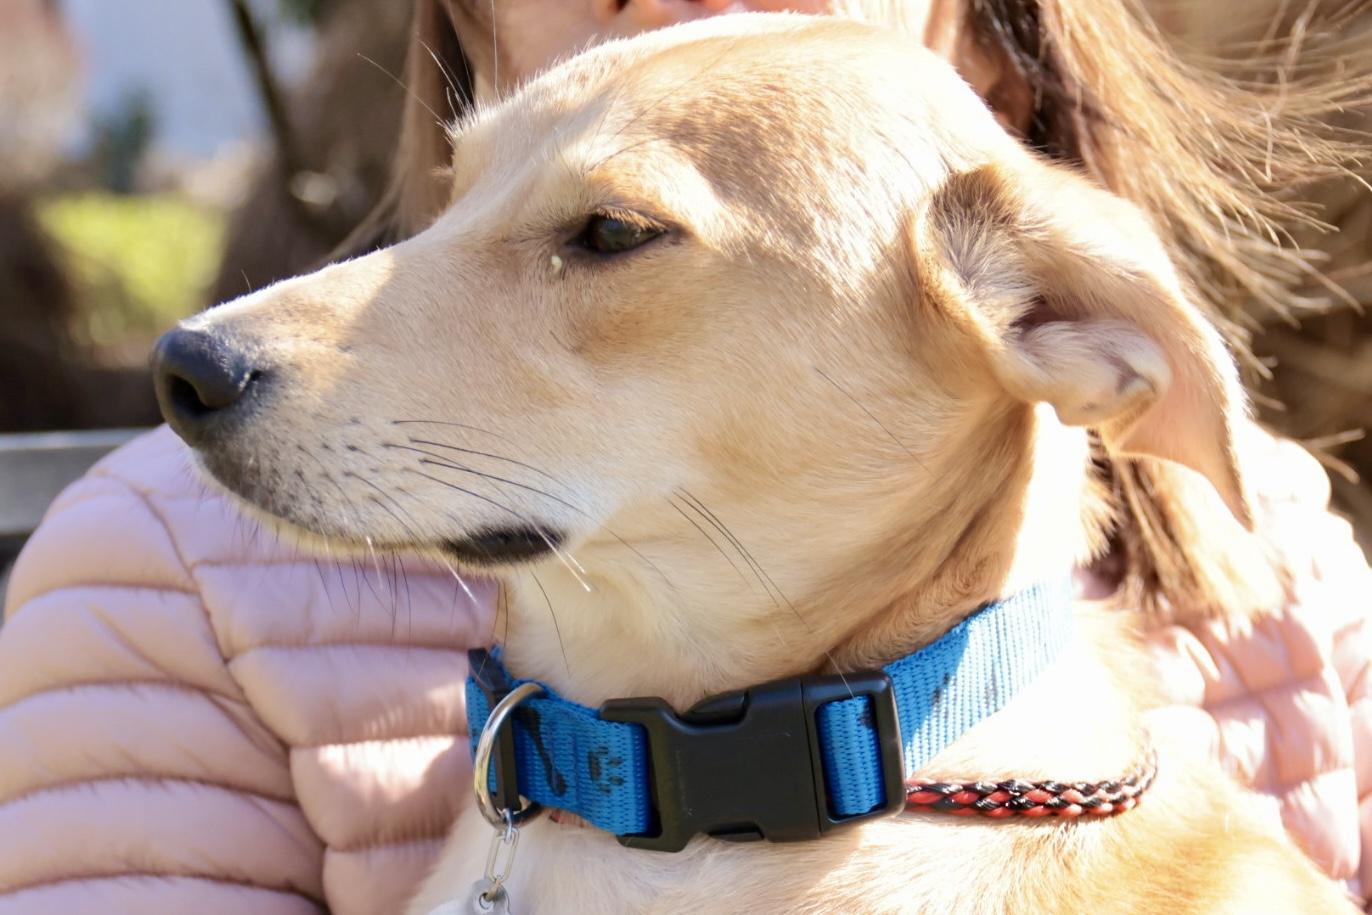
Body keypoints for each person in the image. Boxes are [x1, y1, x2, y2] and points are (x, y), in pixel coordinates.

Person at [1, 2, 1368, 913]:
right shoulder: (162, 580)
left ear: (990, 44)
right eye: (479, 196)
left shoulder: (1285, 567)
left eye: (608, 236)